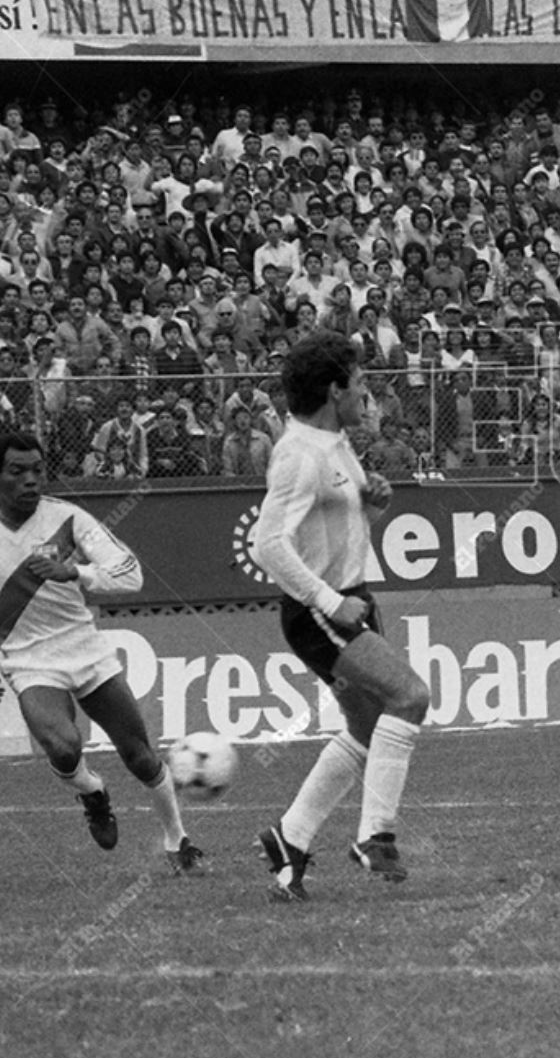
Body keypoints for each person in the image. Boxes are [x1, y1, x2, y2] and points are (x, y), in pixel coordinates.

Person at [251, 331, 432, 902]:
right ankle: (374, 837)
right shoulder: (298, 455)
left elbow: (328, 534)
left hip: (350, 600)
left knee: (366, 726)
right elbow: (268, 546)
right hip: (322, 610)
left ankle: (290, 838)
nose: (367, 396)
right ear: (334, 389)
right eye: (360, 385)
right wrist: (330, 603)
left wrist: (370, 507)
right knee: (410, 697)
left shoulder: (334, 443)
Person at [0, 432, 204, 873]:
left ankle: (177, 840)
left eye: (38, 469)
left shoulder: (70, 519)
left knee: (141, 757)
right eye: (18, 471)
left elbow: (129, 575)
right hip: (29, 661)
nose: (31, 480)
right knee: (63, 746)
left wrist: (75, 570)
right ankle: (93, 791)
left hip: (87, 652)